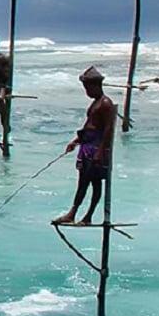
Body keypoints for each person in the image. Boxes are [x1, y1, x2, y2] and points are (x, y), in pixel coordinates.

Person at [53, 66, 116, 226]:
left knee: (95, 183)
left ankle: (88, 216)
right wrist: (76, 141)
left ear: (96, 86)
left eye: (88, 88)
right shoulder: (95, 103)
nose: (86, 91)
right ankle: (73, 213)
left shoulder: (106, 103)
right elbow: (89, 126)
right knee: (83, 181)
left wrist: (100, 152)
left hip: (96, 147)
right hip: (87, 145)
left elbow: (108, 129)